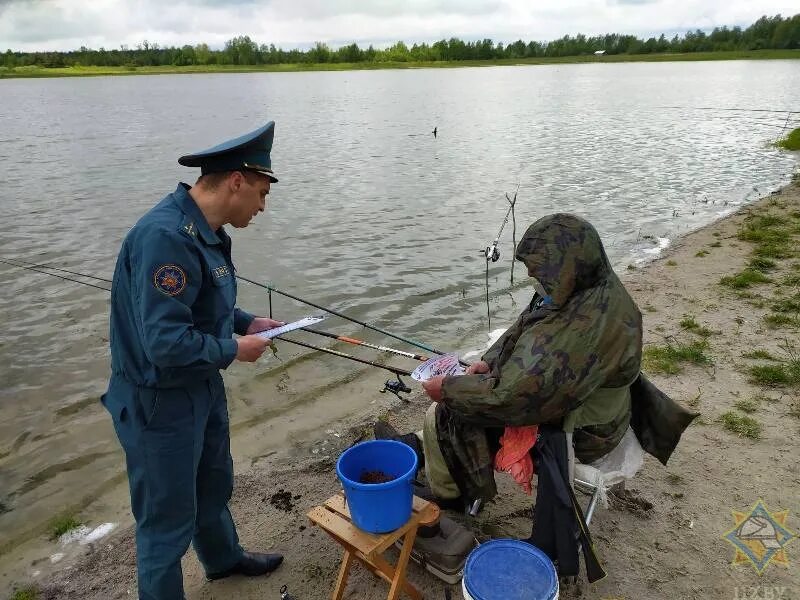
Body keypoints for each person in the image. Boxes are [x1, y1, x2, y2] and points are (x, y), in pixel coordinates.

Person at [101, 122, 285, 600]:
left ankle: (223, 560)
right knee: (165, 520)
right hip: (158, 402)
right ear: (237, 181)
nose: (263, 207)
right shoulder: (164, 237)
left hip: (200, 387)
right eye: (262, 193)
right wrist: (232, 350)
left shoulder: (208, 230)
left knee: (212, 486)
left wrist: (244, 322)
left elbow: (202, 303)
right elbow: (164, 342)